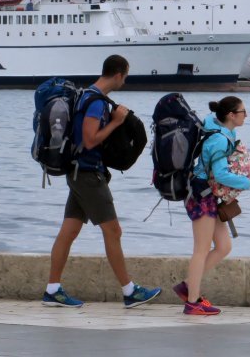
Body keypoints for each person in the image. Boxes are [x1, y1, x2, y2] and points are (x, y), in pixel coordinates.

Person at [42, 55, 161, 309]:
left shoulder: (88, 96)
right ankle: (130, 291)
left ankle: (52, 290)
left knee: (69, 231)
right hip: (87, 175)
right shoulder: (95, 102)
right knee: (114, 231)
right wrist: (117, 122)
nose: (125, 81)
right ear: (119, 74)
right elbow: (89, 139)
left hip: (77, 172)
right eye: (125, 76)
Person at [174, 96, 250, 316]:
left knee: (224, 246)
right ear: (231, 115)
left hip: (206, 194)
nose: (246, 115)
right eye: (243, 111)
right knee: (201, 250)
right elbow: (219, 173)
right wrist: (245, 182)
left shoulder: (218, 129)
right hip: (200, 194)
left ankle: (188, 285)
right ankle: (192, 302)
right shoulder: (219, 140)